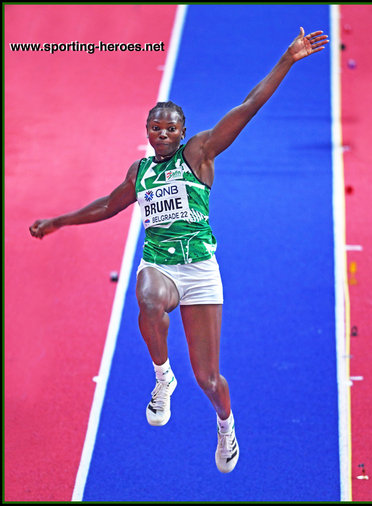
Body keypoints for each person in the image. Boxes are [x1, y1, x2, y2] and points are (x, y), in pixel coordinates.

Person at [30, 27, 329, 473]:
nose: (163, 133)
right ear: (147, 131)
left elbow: (249, 107)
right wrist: (59, 221)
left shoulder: (201, 153)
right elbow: (109, 206)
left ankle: (225, 425)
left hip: (201, 271)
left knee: (209, 379)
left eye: (170, 127)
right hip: (161, 266)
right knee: (148, 298)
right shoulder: (141, 171)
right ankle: (161, 376)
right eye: (156, 127)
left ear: (183, 130)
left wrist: (287, 59)